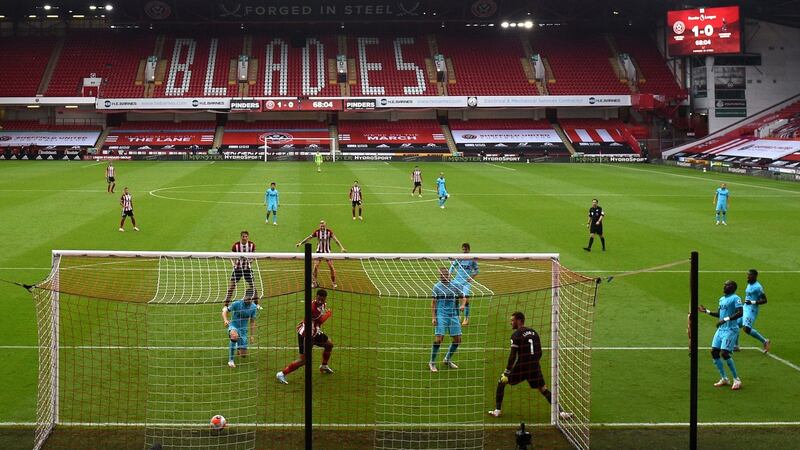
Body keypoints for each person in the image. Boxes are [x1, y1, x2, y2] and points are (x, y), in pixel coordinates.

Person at [488, 312, 572, 419]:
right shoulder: (534, 332)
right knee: (543, 389)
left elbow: (513, 355)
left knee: (501, 382)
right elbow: (540, 352)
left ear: (519, 320)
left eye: (512, 320)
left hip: (522, 367)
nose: (511, 323)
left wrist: (507, 371)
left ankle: (497, 411)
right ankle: (561, 413)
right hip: (534, 366)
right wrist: (534, 363)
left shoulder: (516, 335)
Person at [276, 289, 334, 384]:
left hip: (315, 333)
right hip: (306, 335)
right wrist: (328, 314)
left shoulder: (323, 304)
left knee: (329, 345)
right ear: (316, 297)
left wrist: (304, 321)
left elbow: (312, 319)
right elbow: (320, 320)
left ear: (325, 299)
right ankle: (282, 374)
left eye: (322, 300)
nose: (320, 301)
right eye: (318, 299)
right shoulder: (312, 308)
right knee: (304, 360)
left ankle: (324, 366)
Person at [698, 280, 744, 390]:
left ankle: (736, 379)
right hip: (721, 330)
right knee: (714, 352)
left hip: (731, 330)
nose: (724, 286)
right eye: (724, 284)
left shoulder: (735, 298)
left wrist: (725, 319)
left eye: (727, 285)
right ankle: (724, 378)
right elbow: (719, 314)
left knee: (724, 353)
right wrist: (706, 311)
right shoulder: (722, 299)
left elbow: (740, 313)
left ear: (732, 288)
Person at [429, 268, 465, 372]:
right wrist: (433, 317)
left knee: (458, 340)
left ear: (448, 275)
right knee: (439, 339)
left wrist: (462, 305)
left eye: (444, 276)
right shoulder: (437, 287)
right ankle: (432, 362)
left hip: (453, 315)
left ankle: (447, 359)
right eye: (441, 276)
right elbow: (433, 303)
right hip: (441, 314)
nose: (442, 278)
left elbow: (463, 297)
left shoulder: (455, 285)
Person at [296, 220, 347, 288]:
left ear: (325, 226)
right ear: (319, 226)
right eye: (321, 226)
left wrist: (342, 248)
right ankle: (314, 282)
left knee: (331, 267)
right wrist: (300, 243)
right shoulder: (317, 232)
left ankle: (333, 282)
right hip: (319, 252)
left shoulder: (329, 232)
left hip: (327, 253)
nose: (322, 227)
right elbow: (309, 238)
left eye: (323, 226)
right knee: (315, 267)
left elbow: (336, 240)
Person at [734, 269, 771, 353]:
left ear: (755, 276)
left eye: (749, 275)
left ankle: (765, 341)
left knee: (746, 328)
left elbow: (765, 300)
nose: (747, 276)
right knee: (735, 325)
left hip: (751, 310)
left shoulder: (758, 287)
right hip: (745, 308)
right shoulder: (749, 284)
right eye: (747, 275)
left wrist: (752, 302)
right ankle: (736, 346)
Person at [222, 288, 258, 368]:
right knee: (234, 336)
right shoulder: (237, 303)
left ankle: (239, 346)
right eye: (247, 298)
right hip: (233, 326)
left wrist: (252, 335)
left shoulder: (254, 307)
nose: (248, 300)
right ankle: (231, 361)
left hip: (243, 330)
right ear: (245, 296)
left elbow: (252, 321)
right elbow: (224, 311)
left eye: (250, 299)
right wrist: (225, 320)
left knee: (243, 354)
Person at [450, 243, 479, 326]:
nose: (464, 251)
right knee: (456, 298)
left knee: (466, 299)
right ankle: (458, 316)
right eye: (463, 249)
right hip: (457, 281)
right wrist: (449, 275)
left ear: (469, 250)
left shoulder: (472, 259)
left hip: (466, 282)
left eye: (465, 249)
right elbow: (452, 267)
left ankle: (466, 318)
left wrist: (471, 277)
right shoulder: (459, 258)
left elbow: (477, 270)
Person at [225, 231, 256, 305]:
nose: (245, 238)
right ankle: (225, 305)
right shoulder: (236, 245)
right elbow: (230, 256)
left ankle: (257, 304)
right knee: (231, 287)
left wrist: (250, 262)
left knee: (253, 287)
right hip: (237, 269)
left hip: (247, 269)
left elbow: (254, 255)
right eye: (243, 236)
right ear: (241, 237)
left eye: (246, 236)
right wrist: (233, 264)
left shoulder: (252, 245)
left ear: (248, 237)